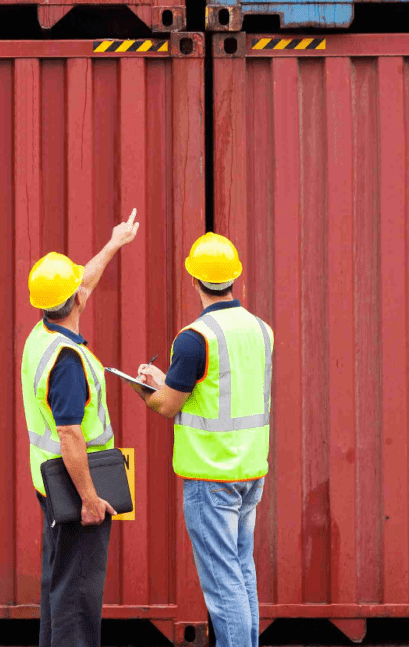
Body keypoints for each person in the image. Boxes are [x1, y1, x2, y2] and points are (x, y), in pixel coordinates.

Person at [132, 232, 273, 647]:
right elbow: (213, 388)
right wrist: (167, 380)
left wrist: (145, 388)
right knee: (242, 571)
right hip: (250, 471)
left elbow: (167, 406)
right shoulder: (261, 330)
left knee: (222, 581)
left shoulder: (195, 337)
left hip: (211, 477)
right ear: (236, 280)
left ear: (193, 281)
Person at [20, 209, 140, 647]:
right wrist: (91, 500)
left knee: (59, 585)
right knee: (78, 596)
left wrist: (114, 243)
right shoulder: (67, 363)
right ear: (76, 301)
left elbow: (82, 282)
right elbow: (71, 434)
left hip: (50, 482)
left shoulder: (42, 335)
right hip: (77, 486)